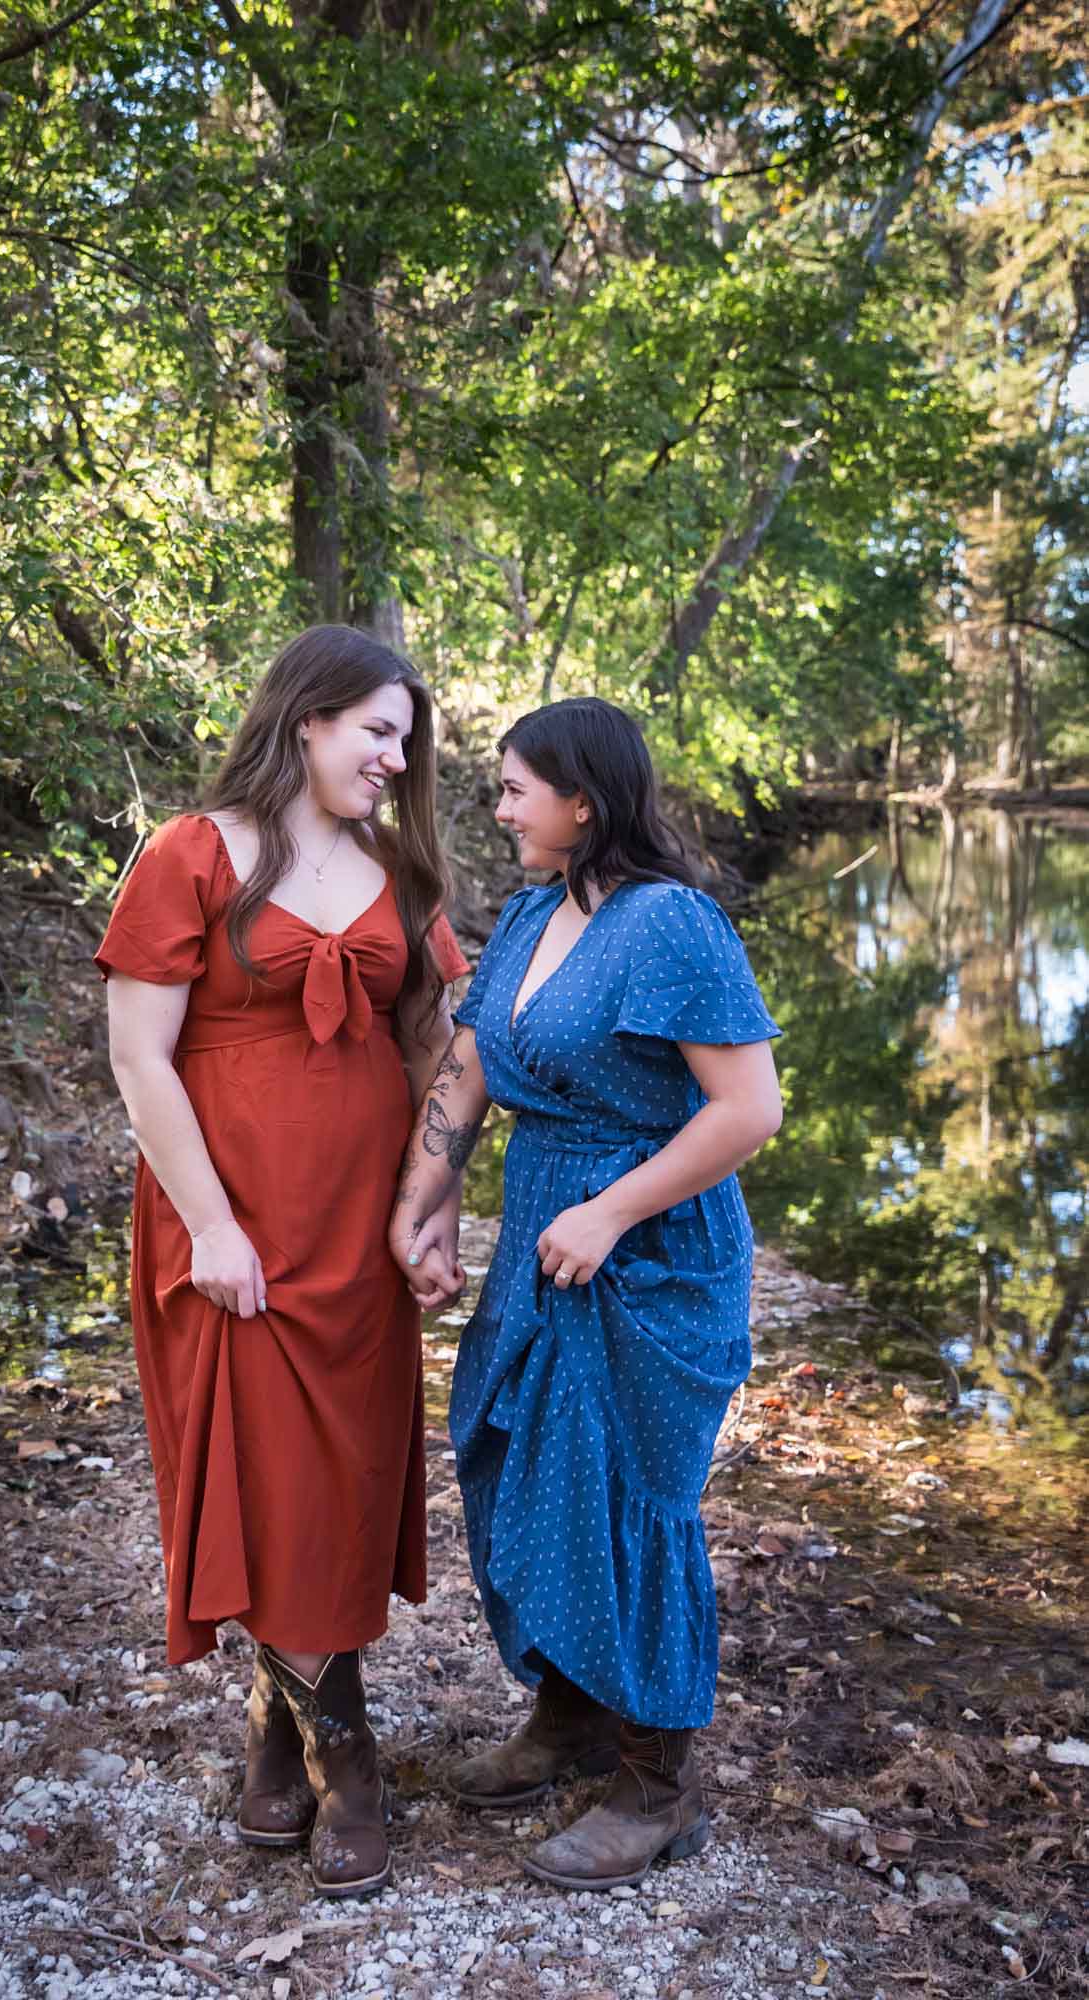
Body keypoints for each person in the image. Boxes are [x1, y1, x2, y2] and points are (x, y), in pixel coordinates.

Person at [95, 626, 468, 1898]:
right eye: (376, 729)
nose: (394, 756)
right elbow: (142, 1055)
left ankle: (275, 1727)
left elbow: (434, 1045)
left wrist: (435, 1206)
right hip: (228, 1221)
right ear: (306, 719)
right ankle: (346, 1751)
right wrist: (209, 1224)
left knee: (342, 1475)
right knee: (266, 1471)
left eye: (404, 736)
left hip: (357, 1224)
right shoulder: (190, 852)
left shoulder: (398, 867)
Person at [389, 696, 782, 1891]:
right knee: (520, 1461)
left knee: (626, 1495)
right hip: (543, 1240)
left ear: (583, 801)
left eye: (514, 786)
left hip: (649, 1251)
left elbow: (748, 1110)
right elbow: (467, 1063)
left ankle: (656, 1784)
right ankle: (565, 1722)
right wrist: (428, 1195)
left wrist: (613, 1211)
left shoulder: (674, 925)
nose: (498, 805)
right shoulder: (526, 915)